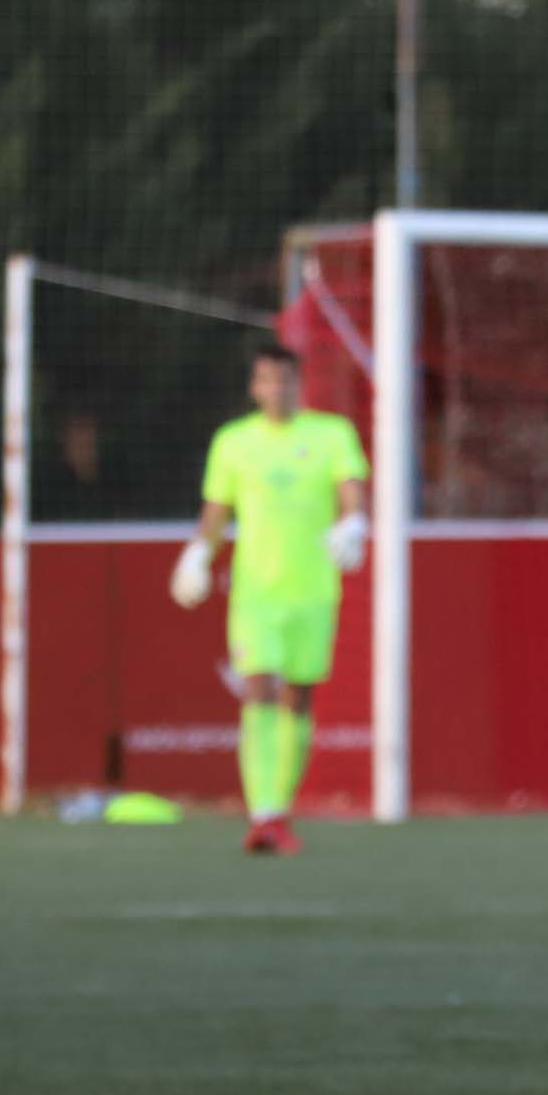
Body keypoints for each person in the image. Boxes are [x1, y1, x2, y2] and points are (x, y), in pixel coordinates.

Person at [169, 341, 371, 854]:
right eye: (266, 380)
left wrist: (353, 522)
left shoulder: (331, 434)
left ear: (297, 384)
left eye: (284, 380)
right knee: (258, 688)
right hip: (256, 592)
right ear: (254, 386)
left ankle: (279, 809)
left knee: (298, 696)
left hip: (313, 591)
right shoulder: (233, 442)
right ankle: (261, 814)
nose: (276, 389)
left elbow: (351, 486)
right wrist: (197, 552)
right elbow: (217, 509)